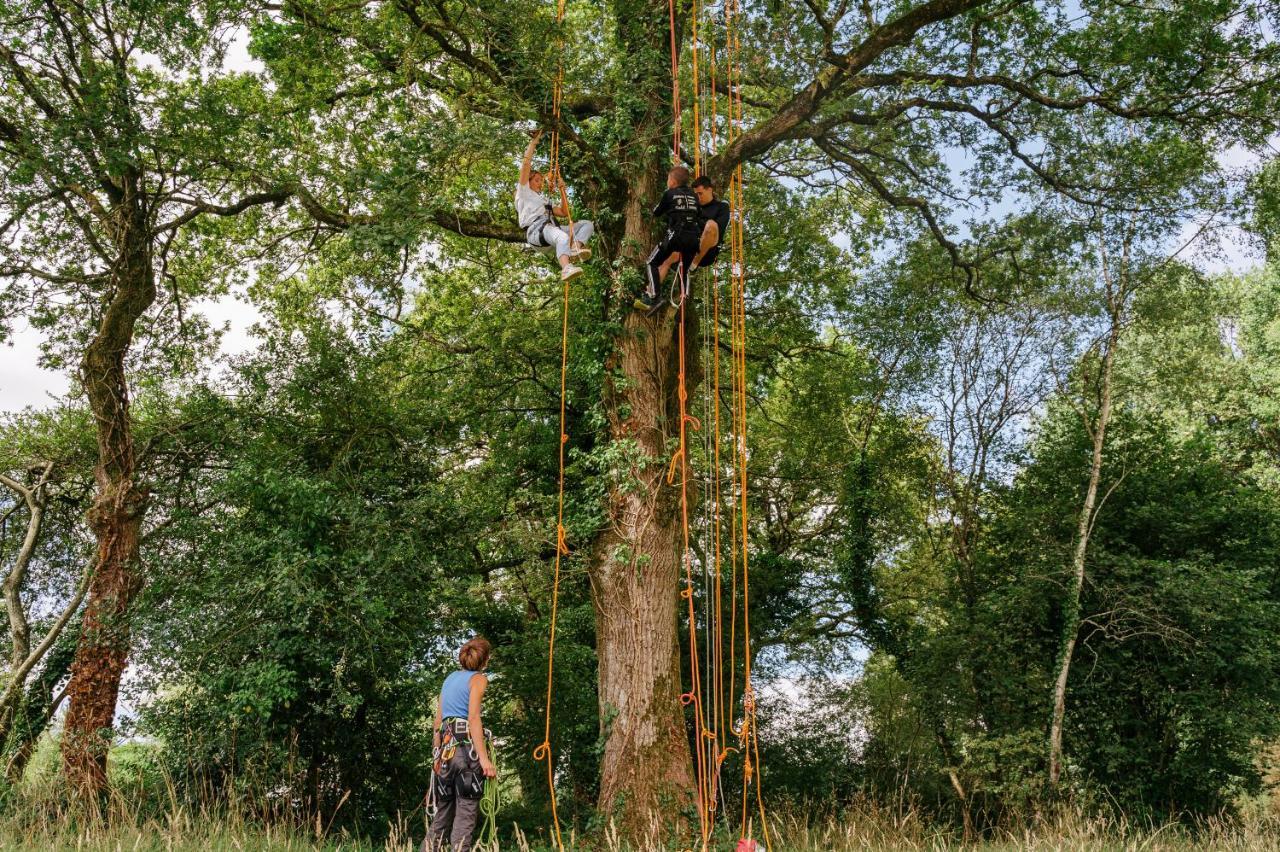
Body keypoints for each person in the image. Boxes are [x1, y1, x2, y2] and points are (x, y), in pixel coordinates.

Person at [422, 637, 497, 852]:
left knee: (442, 813)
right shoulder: (478, 679)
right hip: (466, 752)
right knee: (465, 814)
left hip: (445, 752)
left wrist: (436, 754)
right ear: (486, 659)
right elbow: (473, 718)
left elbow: (438, 722)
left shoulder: (449, 679)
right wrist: (484, 759)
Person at [515, 130, 593, 283]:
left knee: (587, 225)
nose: (540, 183)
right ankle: (566, 269)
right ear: (529, 181)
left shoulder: (543, 200)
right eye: (537, 180)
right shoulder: (523, 192)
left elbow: (564, 212)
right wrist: (534, 142)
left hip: (549, 232)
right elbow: (526, 164)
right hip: (536, 231)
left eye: (541, 181)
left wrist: (562, 190)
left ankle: (574, 248)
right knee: (562, 236)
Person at [635, 165, 704, 314]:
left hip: (676, 236)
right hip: (693, 239)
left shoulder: (669, 193)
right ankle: (684, 296)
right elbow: (699, 215)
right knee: (684, 270)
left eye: (668, 179)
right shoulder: (694, 196)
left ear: (672, 181)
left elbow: (657, 212)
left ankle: (655, 297)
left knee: (651, 262)